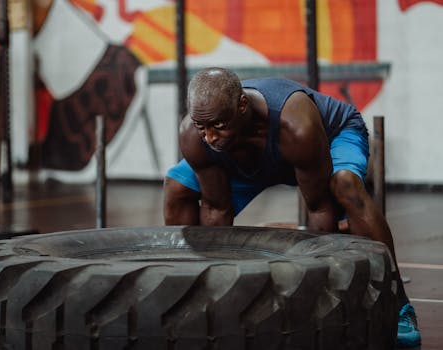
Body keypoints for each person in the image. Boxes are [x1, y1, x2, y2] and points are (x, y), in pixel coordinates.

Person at [163, 67, 420, 347]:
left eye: (218, 125)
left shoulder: (295, 123)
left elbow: (319, 209)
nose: (210, 137)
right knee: (177, 187)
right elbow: (216, 209)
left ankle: (399, 306)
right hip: (245, 152)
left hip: (329, 137)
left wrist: (322, 300)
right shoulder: (196, 135)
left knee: (344, 184)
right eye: (203, 127)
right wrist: (213, 298)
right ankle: (191, 296)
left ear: (243, 106)